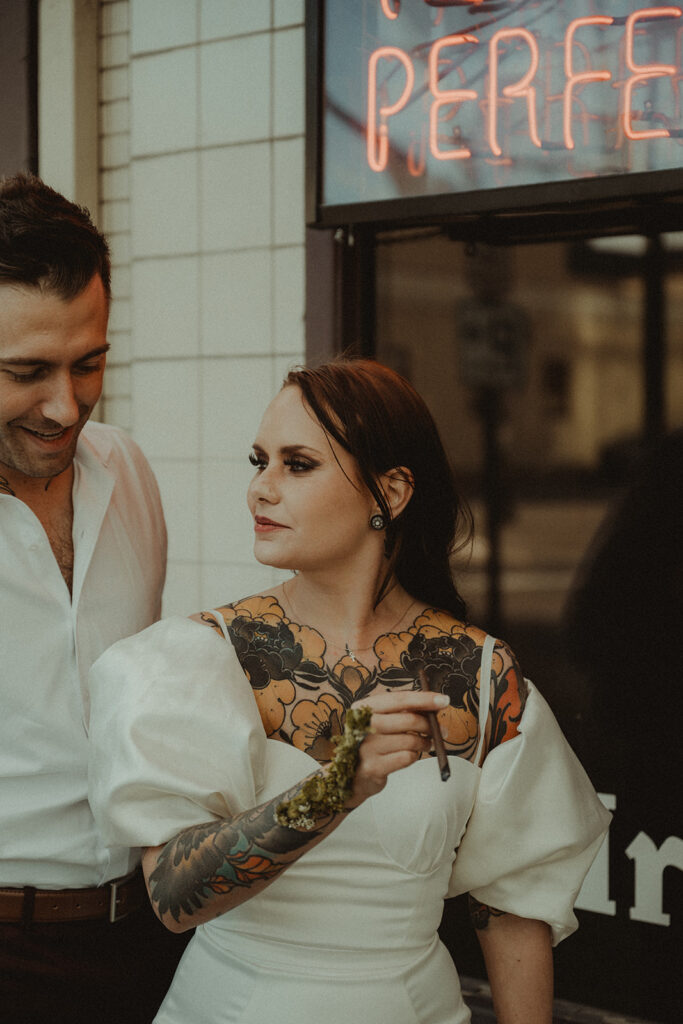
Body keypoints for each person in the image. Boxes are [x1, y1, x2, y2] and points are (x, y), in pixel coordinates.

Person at [88, 359, 611, 1024]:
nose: (259, 490)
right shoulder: (204, 655)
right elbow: (172, 895)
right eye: (259, 461)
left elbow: (508, 907)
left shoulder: (478, 674)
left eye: (297, 464)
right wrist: (335, 788)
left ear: (389, 493)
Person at [0, 173, 187, 1024]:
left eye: (90, 363)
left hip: (146, 941)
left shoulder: (130, 470)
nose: (64, 405)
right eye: (26, 371)